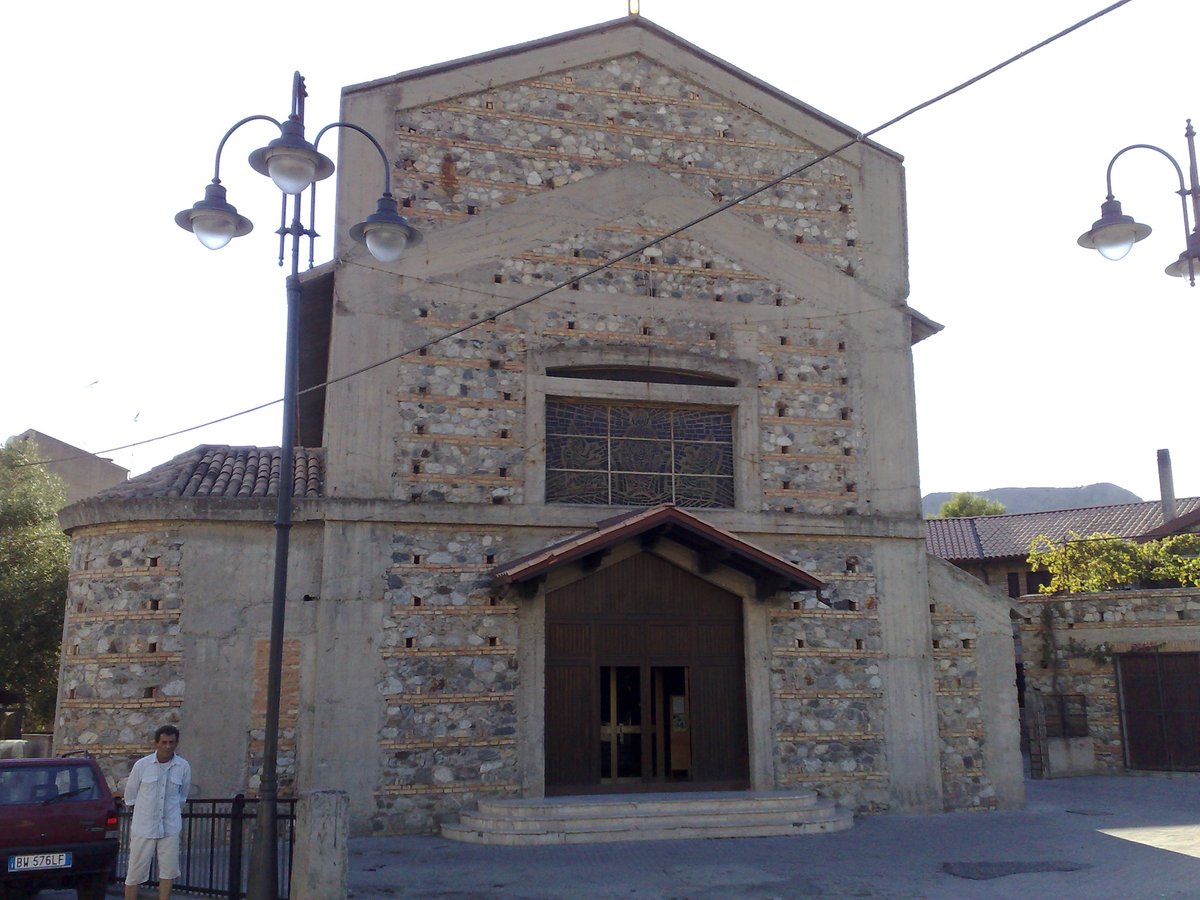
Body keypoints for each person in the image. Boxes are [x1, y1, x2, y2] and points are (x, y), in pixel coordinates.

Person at [123, 725, 191, 900]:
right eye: (164, 742)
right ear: (156, 743)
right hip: (144, 827)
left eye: (172, 742)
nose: (168, 746)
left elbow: (182, 796)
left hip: (170, 827)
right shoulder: (142, 766)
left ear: (177, 743)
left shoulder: (183, 767)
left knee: (168, 871)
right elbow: (130, 796)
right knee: (135, 871)